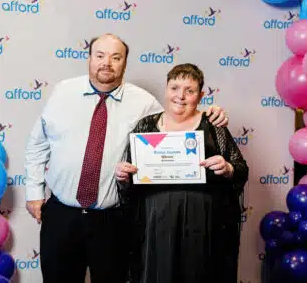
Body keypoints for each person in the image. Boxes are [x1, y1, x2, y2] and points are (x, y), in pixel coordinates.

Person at [24, 34, 229, 283]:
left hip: (111, 220)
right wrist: (34, 191)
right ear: (89, 58)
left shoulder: (144, 103)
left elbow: (177, 120)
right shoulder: (62, 92)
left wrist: (207, 112)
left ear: (125, 63)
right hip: (61, 214)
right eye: (100, 55)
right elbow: (38, 144)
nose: (106, 63)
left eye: (115, 57)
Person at [115, 63, 249, 283]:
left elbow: (241, 170)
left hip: (203, 223)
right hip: (156, 222)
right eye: (175, 88)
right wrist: (123, 176)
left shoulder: (214, 126)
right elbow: (129, 183)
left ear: (201, 95)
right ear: (166, 89)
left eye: (190, 90)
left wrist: (228, 168)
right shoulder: (145, 125)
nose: (181, 96)